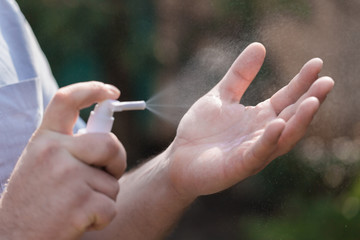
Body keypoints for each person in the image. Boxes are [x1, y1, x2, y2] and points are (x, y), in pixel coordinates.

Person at [0, 0, 334, 239]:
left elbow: (80, 227)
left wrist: (171, 172)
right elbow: (32, 221)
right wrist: (16, 226)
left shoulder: (6, 17)